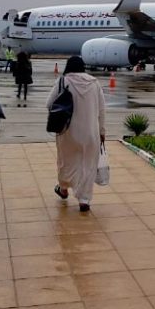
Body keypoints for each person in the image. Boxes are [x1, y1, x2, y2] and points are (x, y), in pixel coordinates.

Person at [46, 56, 105, 212]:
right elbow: (101, 110)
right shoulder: (95, 83)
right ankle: (84, 200)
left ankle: (64, 188)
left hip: (68, 132)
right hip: (91, 133)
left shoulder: (63, 81)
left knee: (67, 162)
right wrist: (102, 131)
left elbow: (49, 103)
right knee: (88, 165)